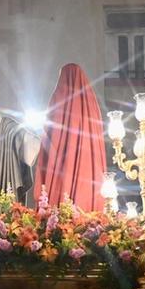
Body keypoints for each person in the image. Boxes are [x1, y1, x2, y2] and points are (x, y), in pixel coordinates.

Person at [33, 64, 107, 211]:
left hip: (60, 167)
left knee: (60, 197)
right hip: (88, 170)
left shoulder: (58, 99)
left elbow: (49, 139)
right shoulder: (91, 103)